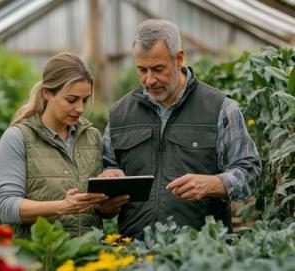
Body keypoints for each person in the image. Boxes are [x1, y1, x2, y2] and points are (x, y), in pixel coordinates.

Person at [98, 19, 261, 239]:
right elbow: (108, 168)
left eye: (158, 69)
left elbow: (249, 171)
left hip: (201, 250)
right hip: (134, 250)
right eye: (142, 69)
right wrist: (106, 192)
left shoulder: (220, 108)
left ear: (179, 59)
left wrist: (213, 184)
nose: (149, 79)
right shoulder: (120, 114)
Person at [0, 52, 108, 239]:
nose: (80, 108)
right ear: (47, 93)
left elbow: (99, 211)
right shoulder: (18, 138)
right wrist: (62, 206)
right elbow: (6, 207)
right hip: (40, 258)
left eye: (85, 100)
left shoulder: (91, 136)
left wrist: (107, 205)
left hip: (89, 256)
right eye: (71, 100)